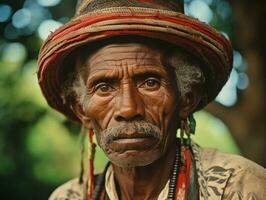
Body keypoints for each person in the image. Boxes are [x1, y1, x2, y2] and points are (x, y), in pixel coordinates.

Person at [37, 0, 266, 199]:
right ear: (81, 110)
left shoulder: (242, 188)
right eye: (104, 87)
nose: (128, 109)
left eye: (150, 83)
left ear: (186, 99)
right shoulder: (68, 197)